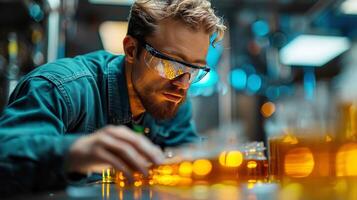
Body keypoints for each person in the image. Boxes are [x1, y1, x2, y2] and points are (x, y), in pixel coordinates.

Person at [0, 0, 225, 194]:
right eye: (170, 64)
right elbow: (6, 156)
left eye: (194, 70)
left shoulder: (170, 99)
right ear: (130, 49)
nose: (183, 84)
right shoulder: (61, 89)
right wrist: (75, 152)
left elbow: (188, 164)